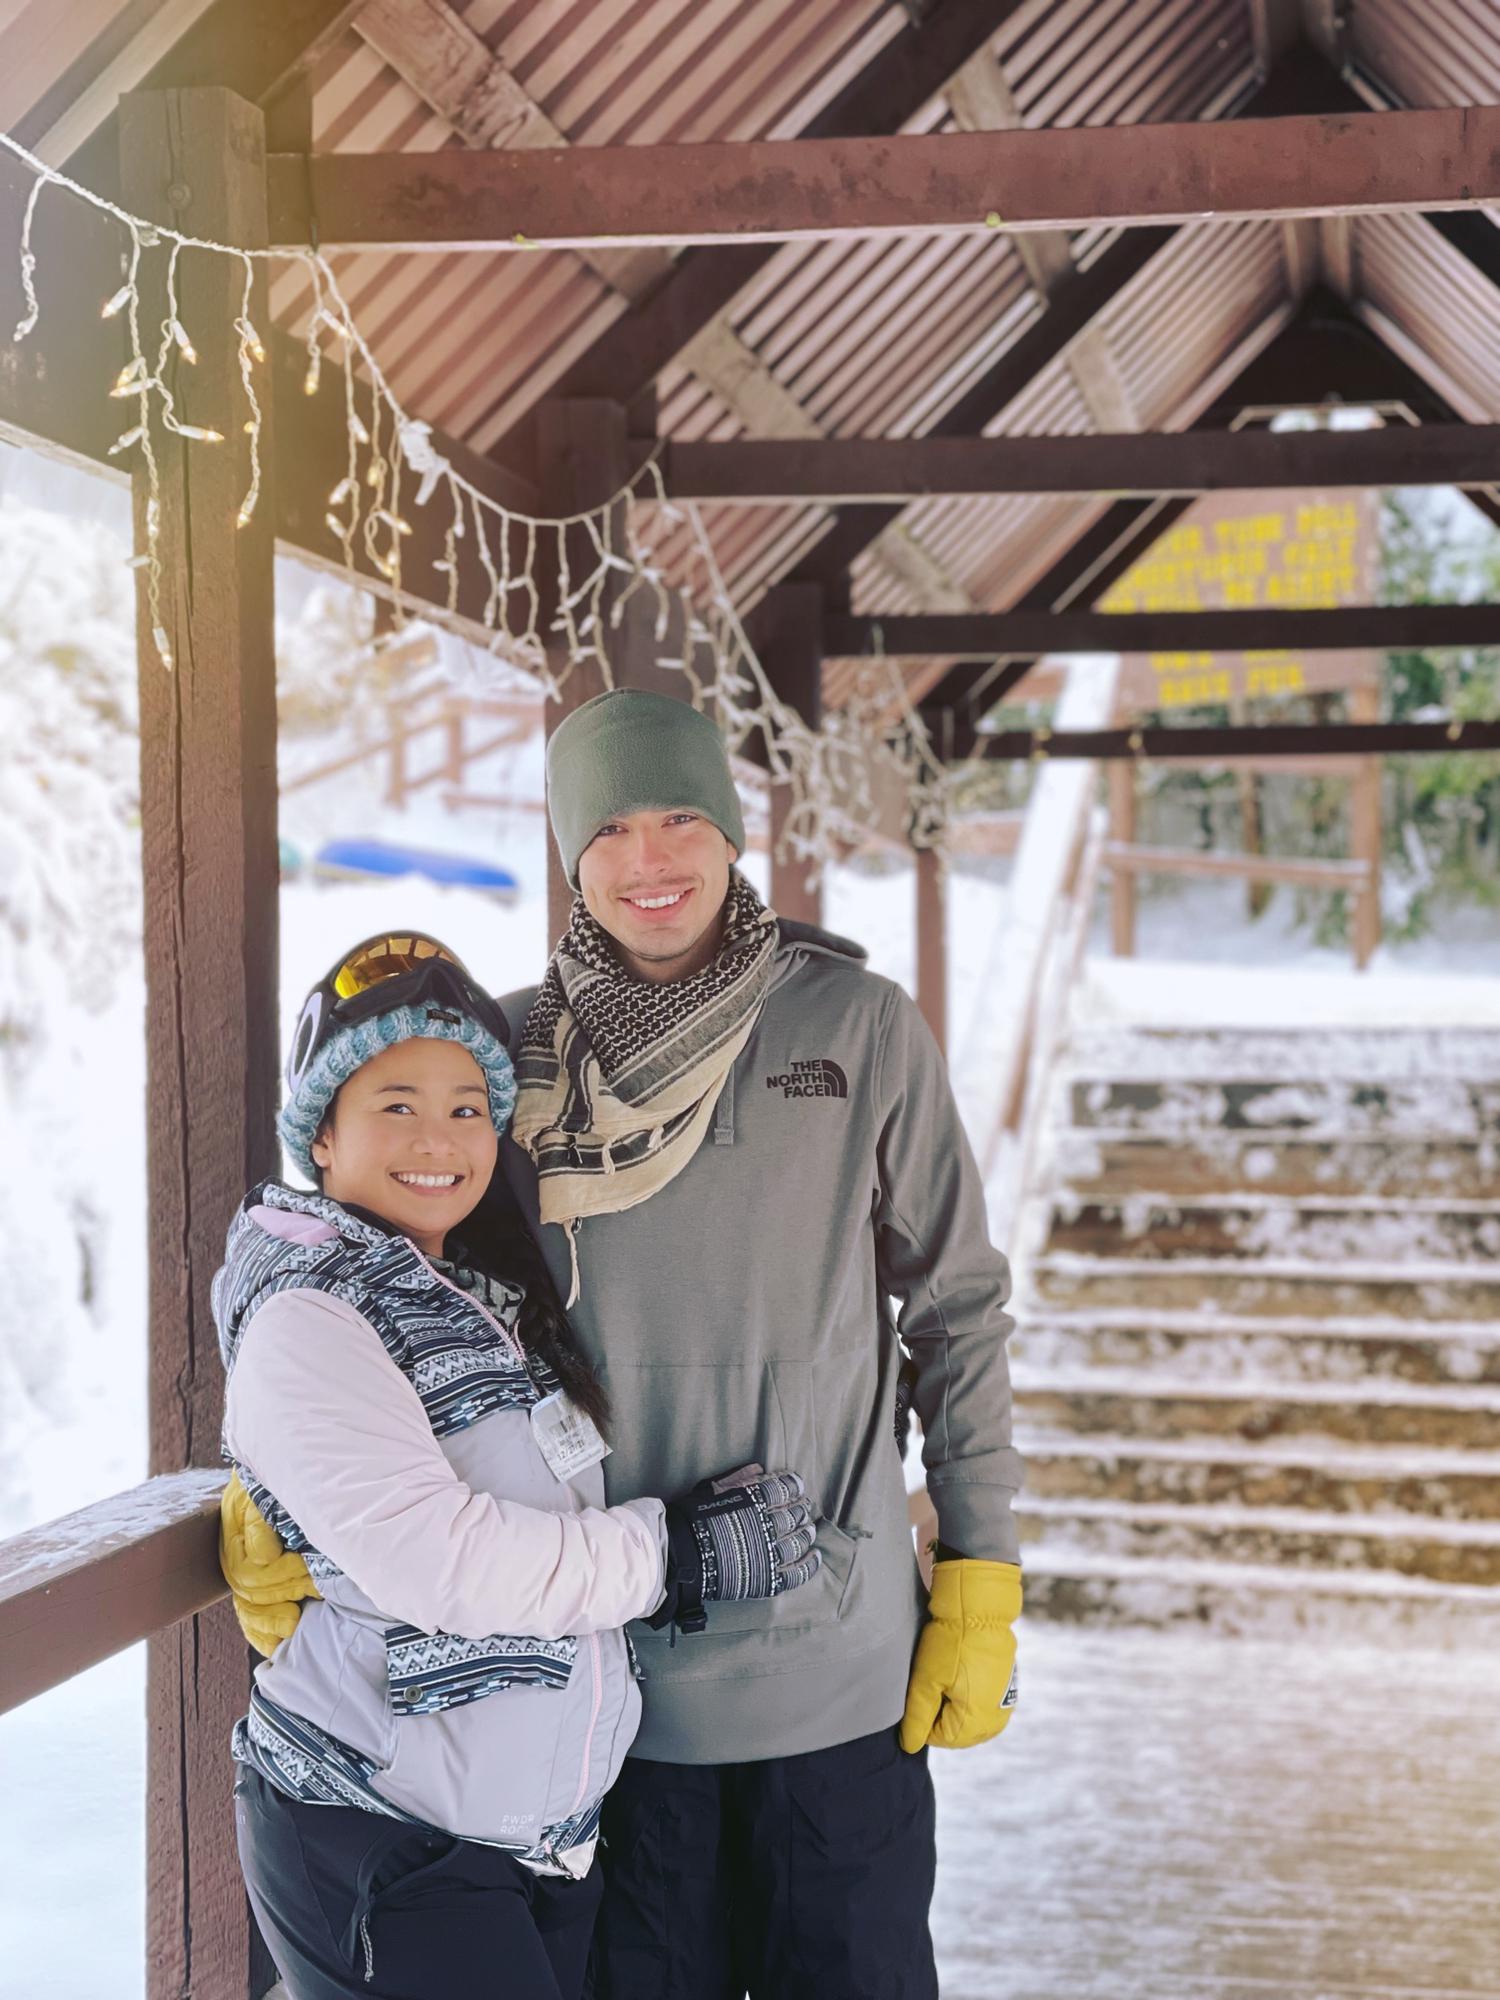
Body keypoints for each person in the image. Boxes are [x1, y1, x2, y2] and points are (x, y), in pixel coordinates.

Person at [225, 688, 1023, 1998]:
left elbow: (958, 1308)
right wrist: (285, 1494)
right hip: (617, 1706)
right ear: (569, 854)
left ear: (732, 829)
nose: (649, 858)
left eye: (680, 818)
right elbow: (398, 1287)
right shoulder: (501, 1066)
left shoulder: (858, 1026)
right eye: (608, 829)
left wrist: (985, 1560)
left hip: (838, 1671)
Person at [216, 931, 820, 2000]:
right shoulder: (310, 1313)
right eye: (397, 1103)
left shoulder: (471, 1294)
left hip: (527, 1838)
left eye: (466, 1107)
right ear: (322, 1134)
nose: (438, 1138)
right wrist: (671, 1554)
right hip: (384, 1829)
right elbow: (441, 1562)